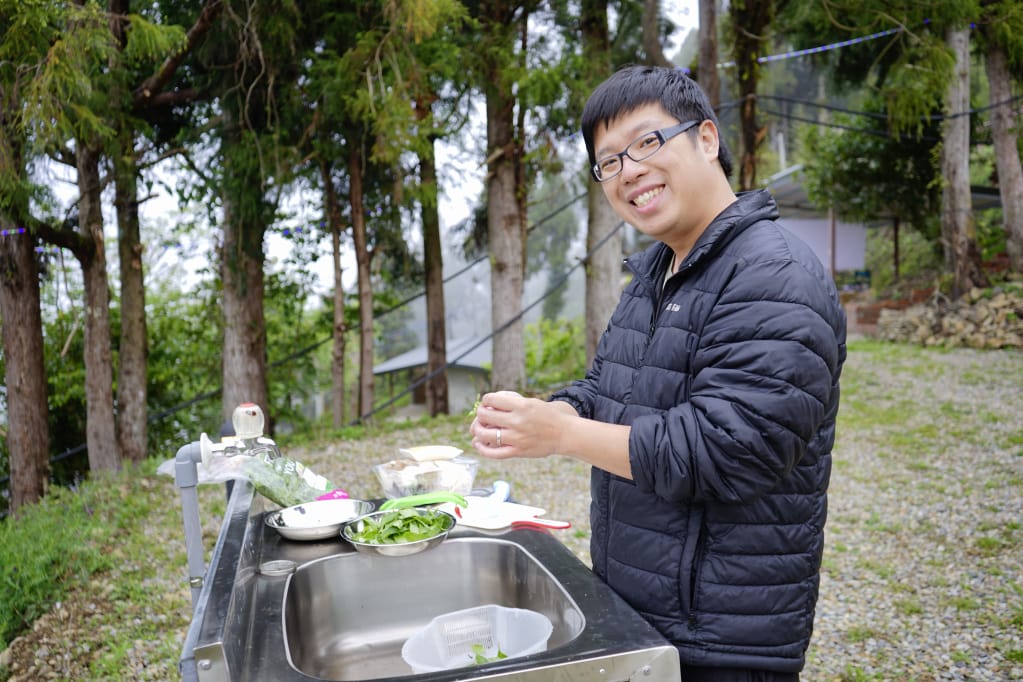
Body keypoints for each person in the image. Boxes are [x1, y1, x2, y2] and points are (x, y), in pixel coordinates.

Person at [469, 64, 847, 681]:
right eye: (609, 161)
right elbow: (608, 390)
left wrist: (562, 437)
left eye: (647, 143)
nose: (629, 171)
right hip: (642, 611)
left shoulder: (774, 274)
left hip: (723, 637)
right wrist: (557, 412)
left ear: (706, 139)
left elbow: (727, 450)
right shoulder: (653, 274)